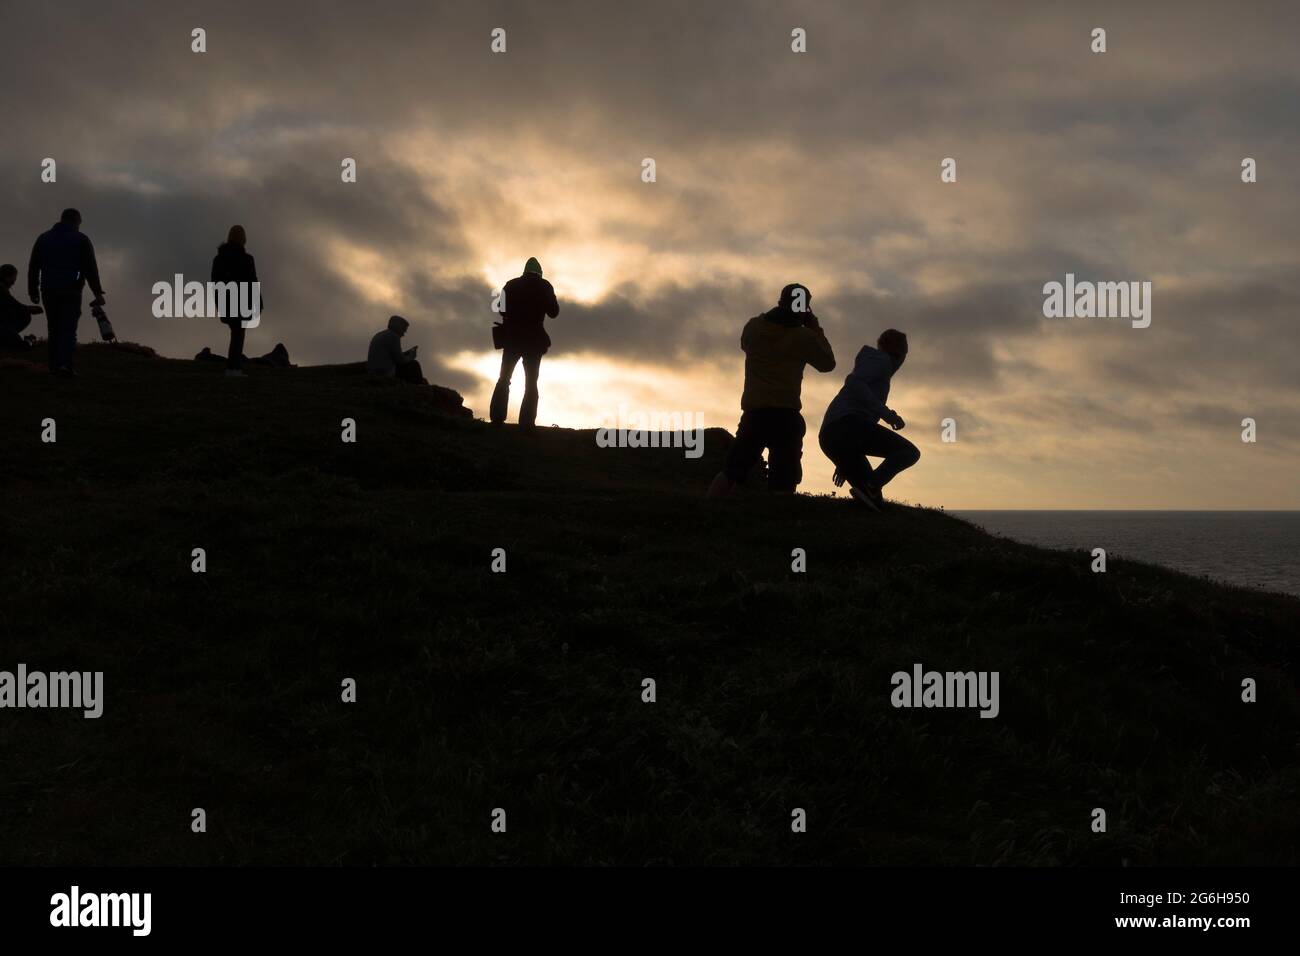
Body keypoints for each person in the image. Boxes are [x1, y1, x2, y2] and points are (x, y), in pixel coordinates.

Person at [707, 283, 836, 496]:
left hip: (754, 412)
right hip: (785, 414)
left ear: (780, 301)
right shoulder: (804, 337)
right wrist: (815, 329)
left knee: (731, 471)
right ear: (804, 308)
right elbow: (828, 364)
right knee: (784, 481)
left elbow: (743, 344)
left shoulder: (754, 327)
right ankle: (778, 522)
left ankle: (708, 509)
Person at [818, 328, 919, 510]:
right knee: (909, 453)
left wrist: (844, 462)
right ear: (900, 354)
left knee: (872, 501)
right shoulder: (882, 362)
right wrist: (888, 415)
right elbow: (854, 382)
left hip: (832, 436)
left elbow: (865, 420)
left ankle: (868, 489)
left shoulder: (876, 365)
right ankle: (870, 485)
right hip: (845, 426)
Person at [27, 208, 105, 375]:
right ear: (76, 221)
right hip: (71, 290)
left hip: (48, 289)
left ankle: (54, 366)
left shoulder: (43, 238)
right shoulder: (81, 240)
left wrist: (32, 290)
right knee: (68, 328)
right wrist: (97, 293)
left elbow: (34, 266)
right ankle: (65, 365)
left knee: (53, 328)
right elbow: (90, 268)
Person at [490, 257, 559, 430]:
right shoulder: (545, 286)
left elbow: (500, 308)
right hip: (535, 341)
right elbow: (554, 312)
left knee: (504, 378)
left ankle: (497, 419)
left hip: (512, 338)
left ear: (524, 271)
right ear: (540, 272)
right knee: (531, 383)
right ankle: (527, 424)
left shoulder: (511, 284)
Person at [211, 225, 262, 378]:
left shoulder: (219, 258)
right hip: (242, 302)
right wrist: (258, 304)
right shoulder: (247, 259)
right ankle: (233, 368)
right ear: (243, 239)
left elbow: (215, 282)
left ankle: (233, 367)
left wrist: (219, 303)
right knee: (238, 334)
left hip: (226, 301)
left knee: (236, 333)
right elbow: (253, 282)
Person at [367, 314, 425, 383]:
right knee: (414, 365)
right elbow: (400, 360)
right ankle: (419, 387)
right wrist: (411, 357)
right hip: (385, 372)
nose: (403, 334)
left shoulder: (379, 334)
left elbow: (391, 355)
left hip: (373, 371)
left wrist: (405, 353)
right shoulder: (394, 336)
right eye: (404, 330)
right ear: (398, 327)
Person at [0, 263, 42, 350]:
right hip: (3, 328)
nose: (14, 283)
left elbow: (13, 305)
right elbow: (14, 305)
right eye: (13, 278)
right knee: (20, 345)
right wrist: (29, 309)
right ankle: (28, 341)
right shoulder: (1, 290)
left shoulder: (3, 289)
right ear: (7, 277)